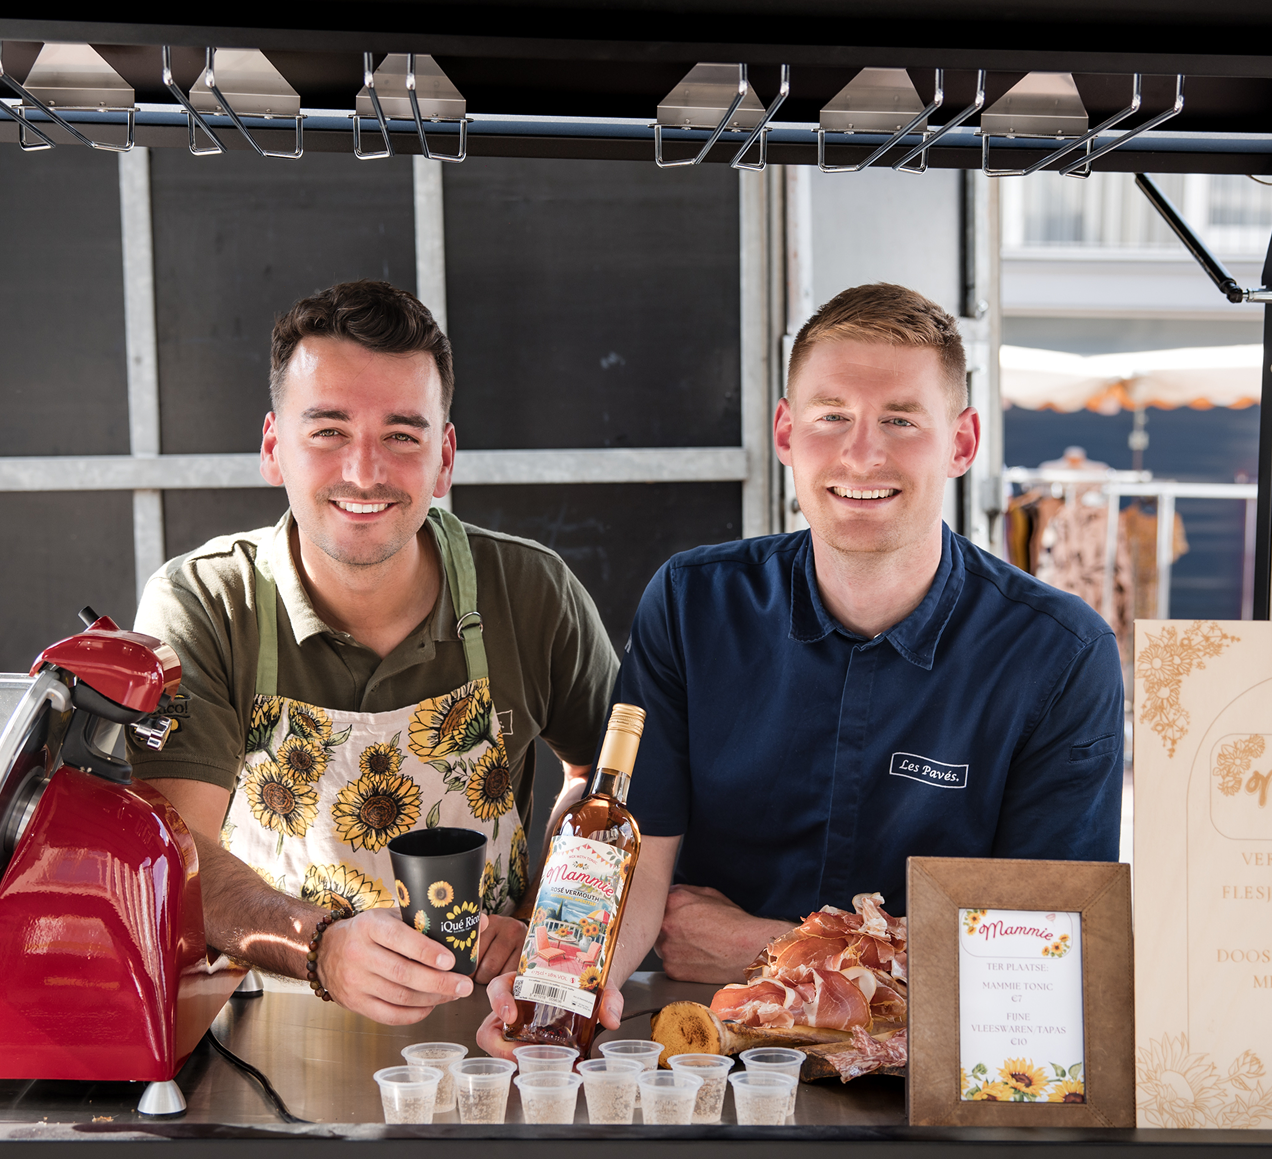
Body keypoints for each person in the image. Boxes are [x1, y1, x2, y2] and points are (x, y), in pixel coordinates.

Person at [478, 283, 1121, 1049]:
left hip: (932, 1067)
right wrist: (557, 998)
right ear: (786, 431)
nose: (862, 453)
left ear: (961, 442)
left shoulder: (1061, 656)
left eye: (901, 420)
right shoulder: (692, 604)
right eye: (831, 416)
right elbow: (636, 866)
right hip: (710, 1050)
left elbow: (1042, 956)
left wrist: (771, 949)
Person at [134, 280, 619, 1026]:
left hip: (490, 1030)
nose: (364, 472)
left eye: (402, 436)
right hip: (264, 1032)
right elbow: (174, 847)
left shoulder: (531, 591)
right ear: (273, 447)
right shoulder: (206, 604)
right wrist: (320, 948)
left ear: (444, 457)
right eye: (329, 431)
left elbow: (609, 787)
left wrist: (544, 921)